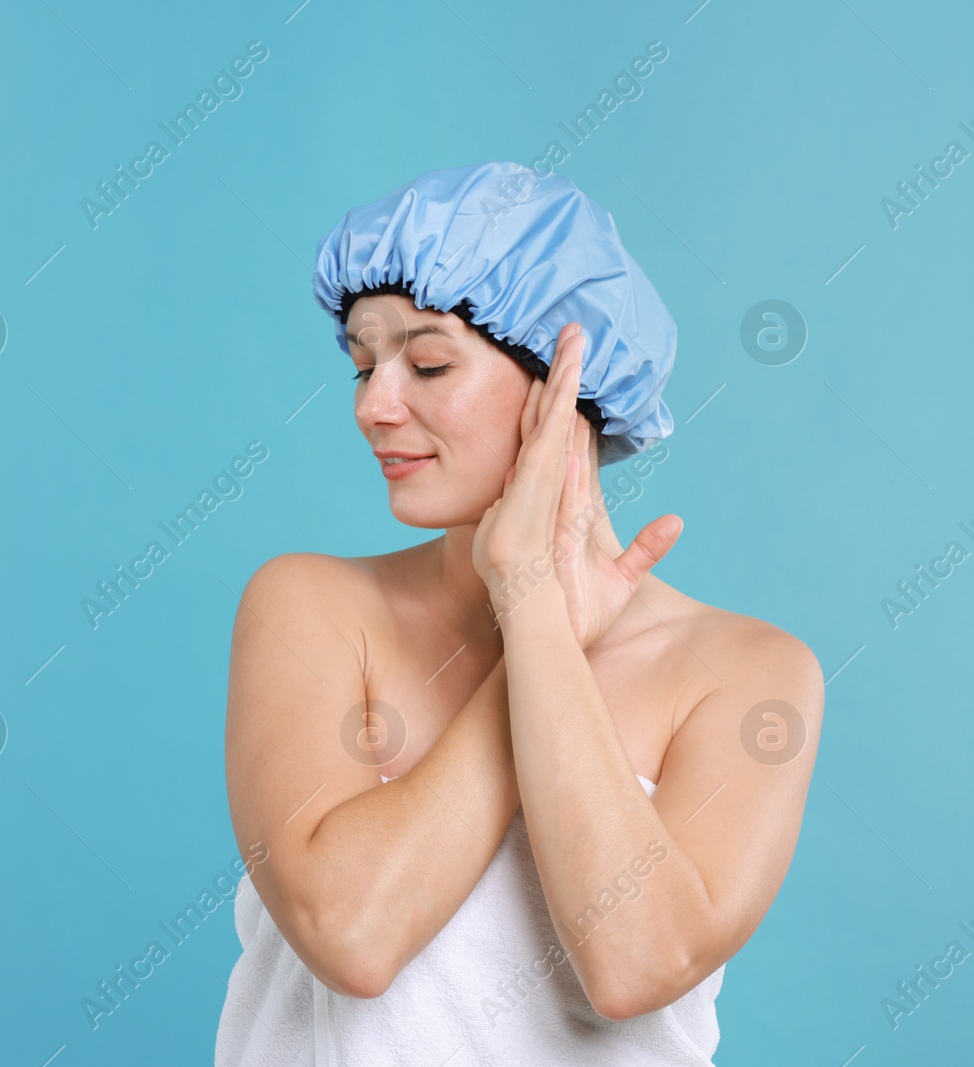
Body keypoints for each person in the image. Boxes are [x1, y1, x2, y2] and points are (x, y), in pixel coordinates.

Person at [215, 162, 824, 1065]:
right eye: (362, 365)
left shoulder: (751, 673)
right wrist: (537, 623)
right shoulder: (308, 606)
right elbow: (352, 934)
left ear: (564, 390)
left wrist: (536, 618)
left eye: (426, 362)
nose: (375, 407)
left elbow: (634, 963)